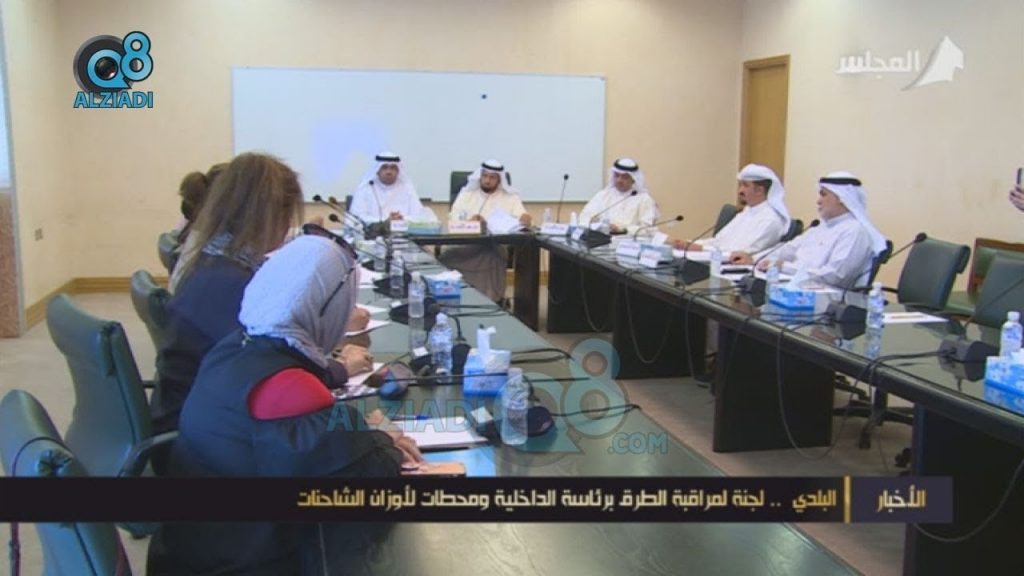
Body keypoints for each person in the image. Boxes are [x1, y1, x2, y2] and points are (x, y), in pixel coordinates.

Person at [147, 232, 421, 575]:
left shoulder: (235, 347)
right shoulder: (287, 389)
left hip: (191, 548)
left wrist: (361, 433)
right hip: (247, 564)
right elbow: (372, 483)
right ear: (327, 307)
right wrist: (383, 439)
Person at [156, 153, 370, 435]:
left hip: (203, 417)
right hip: (206, 434)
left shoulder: (214, 260)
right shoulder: (229, 283)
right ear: (271, 217)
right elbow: (273, 372)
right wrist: (342, 368)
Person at [731, 171, 887, 289]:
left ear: (842, 198)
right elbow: (788, 249)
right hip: (794, 287)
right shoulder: (820, 226)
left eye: (824, 195)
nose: (818, 201)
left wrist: (784, 266)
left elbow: (836, 276)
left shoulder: (855, 231)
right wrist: (756, 259)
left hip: (824, 300)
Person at [440, 159, 531, 301]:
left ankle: (491, 300)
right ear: (480, 176)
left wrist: (525, 218)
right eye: (485, 176)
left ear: (499, 179)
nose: (487, 180)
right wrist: (471, 223)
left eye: (492, 177)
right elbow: (453, 218)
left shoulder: (510, 197)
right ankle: (454, 297)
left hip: (493, 247)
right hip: (464, 244)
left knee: (493, 253)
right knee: (447, 255)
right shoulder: (467, 194)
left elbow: (521, 218)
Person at [673, 163, 790, 254]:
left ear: (759, 190)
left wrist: (701, 248)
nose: (740, 191)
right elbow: (718, 242)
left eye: (745, 186)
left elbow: (739, 254)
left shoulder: (770, 220)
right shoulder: (746, 212)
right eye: (740, 185)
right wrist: (689, 243)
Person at [578, 158, 659, 235]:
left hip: (630, 242)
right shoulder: (603, 195)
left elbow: (647, 229)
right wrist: (601, 226)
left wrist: (622, 229)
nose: (619, 180)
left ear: (633, 179)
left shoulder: (644, 199)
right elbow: (585, 218)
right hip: (602, 240)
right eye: (617, 176)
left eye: (625, 177)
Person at [349, 151, 435, 223]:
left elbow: (418, 216)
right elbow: (356, 219)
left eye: (393, 168)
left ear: (398, 171)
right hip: (372, 236)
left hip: (403, 234)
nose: (389, 171)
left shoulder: (407, 188)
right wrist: (385, 221)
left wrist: (401, 219)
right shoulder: (365, 188)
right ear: (377, 170)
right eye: (384, 167)